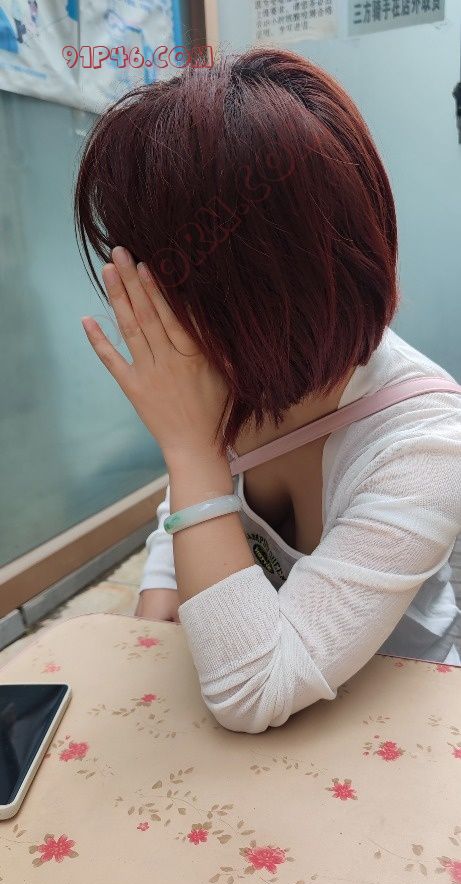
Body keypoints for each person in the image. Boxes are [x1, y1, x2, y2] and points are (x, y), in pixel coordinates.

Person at [74, 48, 461, 734]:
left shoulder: (425, 440)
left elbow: (255, 690)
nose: (137, 303)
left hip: (400, 728)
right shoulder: (228, 373)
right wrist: (156, 600)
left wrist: (189, 448)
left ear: (248, 289)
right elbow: (182, 506)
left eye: (153, 271)